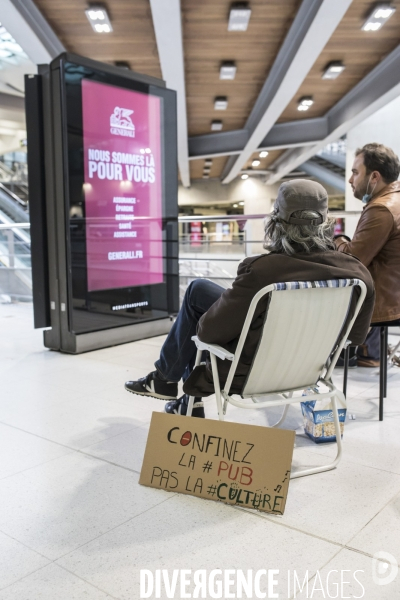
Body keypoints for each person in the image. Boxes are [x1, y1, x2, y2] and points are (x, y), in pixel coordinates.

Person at [125, 179, 375, 417]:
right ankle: (171, 388)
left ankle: (167, 381)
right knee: (200, 289)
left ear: (276, 222)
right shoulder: (357, 274)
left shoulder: (261, 272)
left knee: (197, 294)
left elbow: (208, 334)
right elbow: (354, 337)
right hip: (309, 371)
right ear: (326, 222)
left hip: (250, 373)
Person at [335, 143, 400, 367]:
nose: (350, 179)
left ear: (374, 176)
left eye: (355, 172)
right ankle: (370, 351)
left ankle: (360, 351)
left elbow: (351, 262)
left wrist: (336, 238)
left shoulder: (381, 209)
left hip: (385, 306)